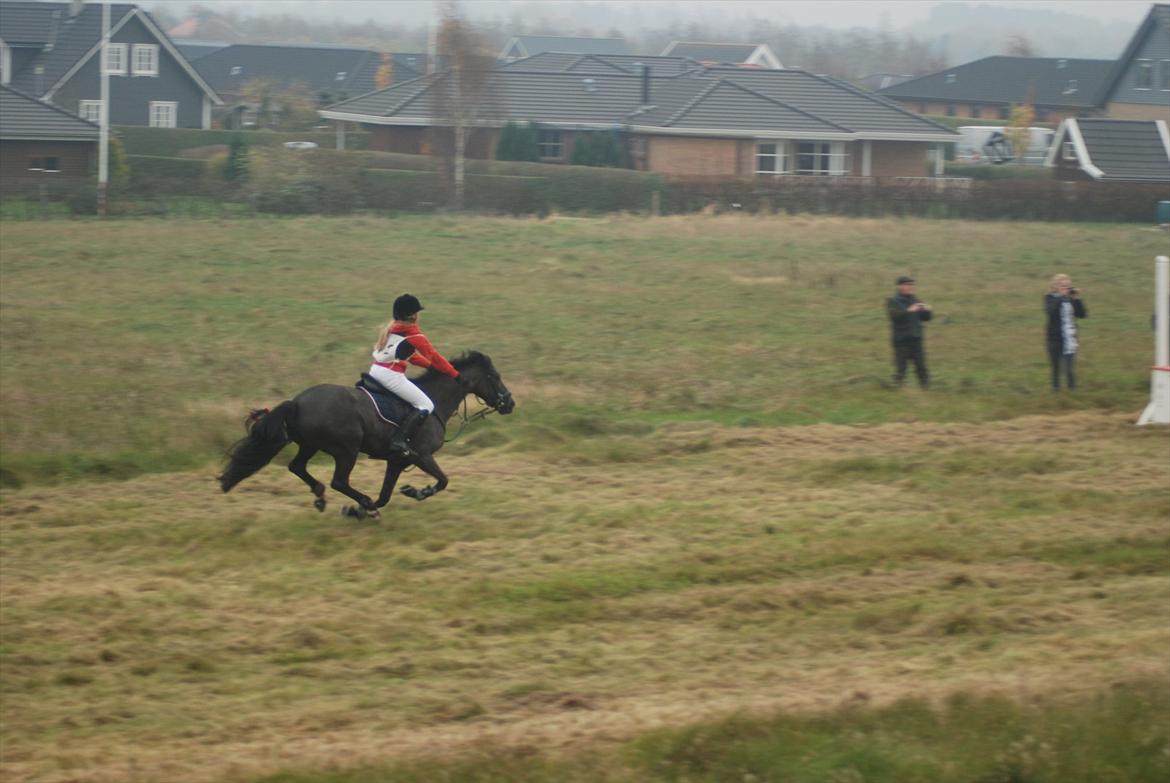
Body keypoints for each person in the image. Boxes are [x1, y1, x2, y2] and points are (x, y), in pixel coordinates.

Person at [369, 294, 462, 454]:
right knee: (426, 405)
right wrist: (454, 374)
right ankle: (399, 441)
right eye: (417, 312)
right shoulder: (413, 335)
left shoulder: (392, 329)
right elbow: (434, 356)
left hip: (375, 371)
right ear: (412, 315)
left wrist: (432, 368)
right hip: (390, 375)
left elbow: (412, 357)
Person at [887, 275, 932, 389]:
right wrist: (909, 311)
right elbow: (895, 317)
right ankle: (896, 389)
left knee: (921, 367)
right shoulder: (893, 301)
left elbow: (926, 318)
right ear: (900, 286)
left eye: (911, 285)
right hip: (901, 341)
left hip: (916, 339)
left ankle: (926, 390)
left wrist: (927, 310)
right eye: (907, 285)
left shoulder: (916, 300)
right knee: (901, 369)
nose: (910, 287)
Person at [1044, 274, 1087, 391]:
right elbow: (1050, 311)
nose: (1066, 288)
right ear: (1056, 286)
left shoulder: (1071, 299)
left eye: (1068, 286)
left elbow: (1082, 315)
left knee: (1069, 369)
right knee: (1056, 368)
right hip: (1054, 339)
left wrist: (1077, 298)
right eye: (1063, 286)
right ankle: (1056, 392)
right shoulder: (1049, 298)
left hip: (1069, 339)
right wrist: (1060, 297)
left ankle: (1072, 391)